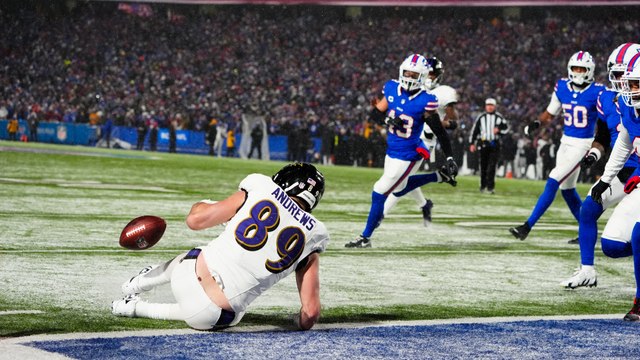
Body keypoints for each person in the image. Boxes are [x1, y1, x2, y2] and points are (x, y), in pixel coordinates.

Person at [112, 162, 328, 330]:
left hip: (189, 274)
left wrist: (205, 204)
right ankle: (133, 308)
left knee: (194, 254)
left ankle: (137, 284)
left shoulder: (261, 186)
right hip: (215, 318)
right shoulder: (315, 236)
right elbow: (310, 314)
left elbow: (195, 221)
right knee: (209, 312)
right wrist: (296, 321)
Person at [345, 54, 458, 248]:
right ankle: (438, 177)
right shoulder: (391, 88)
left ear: (422, 76)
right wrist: (387, 120)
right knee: (399, 187)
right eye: (407, 72)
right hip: (392, 150)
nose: (409, 77)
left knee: (379, 191)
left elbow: (440, 131)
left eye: (414, 74)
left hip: (409, 154)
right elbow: (375, 113)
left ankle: (365, 237)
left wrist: (449, 156)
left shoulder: (426, 100)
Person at [561, 43, 640, 289]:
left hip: (636, 170)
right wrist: (595, 154)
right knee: (588, 209)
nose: (619, 81)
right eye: (615, 75)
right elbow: (605, 136)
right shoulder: (607, 99)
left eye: (623, 75)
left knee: (630, 236)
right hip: (621, 169)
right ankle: (587, 271)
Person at [509, 51, 605, 240]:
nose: (578, 72)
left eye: (582, 69)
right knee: (567, 189)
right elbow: (550, 113)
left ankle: (526, 227)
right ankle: (587, 231)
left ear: (590, 70)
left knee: (554, 178)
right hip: (565, 142)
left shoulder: (598, 92)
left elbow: (605, 119)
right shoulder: (562, 87)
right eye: (575, 68)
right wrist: (537, 123)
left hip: (583, 144)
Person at [588, 55, 640, 321]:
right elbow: (623, 143)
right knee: (612, 244)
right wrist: (607, 179)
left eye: (635, 84)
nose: (629, 90)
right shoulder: (630, 109)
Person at [382, 56, 459, 227]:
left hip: (423, 142)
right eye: (428, 73)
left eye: (433, 74)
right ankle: (425, 204)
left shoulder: (443, 92)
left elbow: (453, 121)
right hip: (406, 137)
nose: (430, 77)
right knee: (402, 179)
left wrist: (440, 122)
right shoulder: (410, 88)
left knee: (397, 182)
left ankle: (378, 218)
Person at [469, 98, 510, 194]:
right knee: (483, 166)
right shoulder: (481, 117)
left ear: (495, 106)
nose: (490, 107)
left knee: (492, 166)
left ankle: (490, 187)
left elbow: (506, 129)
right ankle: (483, 186)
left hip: (495, 144)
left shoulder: (499, 117)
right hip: (483, 143)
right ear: (485, 106)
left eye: (491, 105)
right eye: (488, 105)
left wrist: (499, 130)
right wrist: (472, 143)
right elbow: (474, 131)